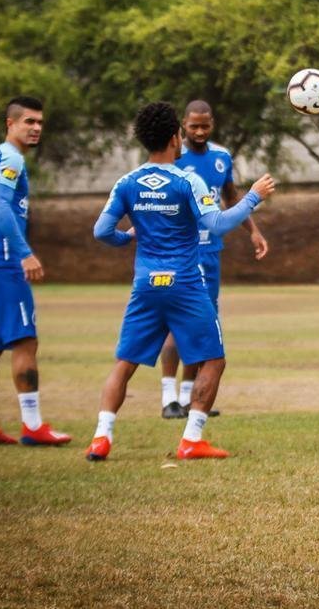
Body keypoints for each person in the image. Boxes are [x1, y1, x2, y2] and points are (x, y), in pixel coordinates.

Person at [85, 102, 276, 462]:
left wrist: (128, 237)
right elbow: (217, 224)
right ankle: (191, 439)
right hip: (185, 282)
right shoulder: (187, 180)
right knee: (213, 360)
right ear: (176, 136)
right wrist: (255, 196)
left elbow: (101, 231)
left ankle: (101, 437)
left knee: (124, 363)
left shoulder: (127, 182)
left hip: (145, 285)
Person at [0, 96, 71, 446]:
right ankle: (33, 425)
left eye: (40, 122)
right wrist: (24, 253)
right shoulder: (10, 158)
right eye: (29, 121)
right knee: (26, 341)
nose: (36, 127)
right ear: (10, 123)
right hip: (4, 263)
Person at [158, 100, 269, 420]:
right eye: (193, 126)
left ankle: (190, 397)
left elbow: (231, 197)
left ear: (213, 123)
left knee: (202, 323)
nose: (199, 131)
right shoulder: (174, 159)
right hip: (181, 252)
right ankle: (168, 398)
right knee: (176, 324)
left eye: (205, 125)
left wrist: (253, 230)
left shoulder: (221, 157)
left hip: (210, 253)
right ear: (183, 124)